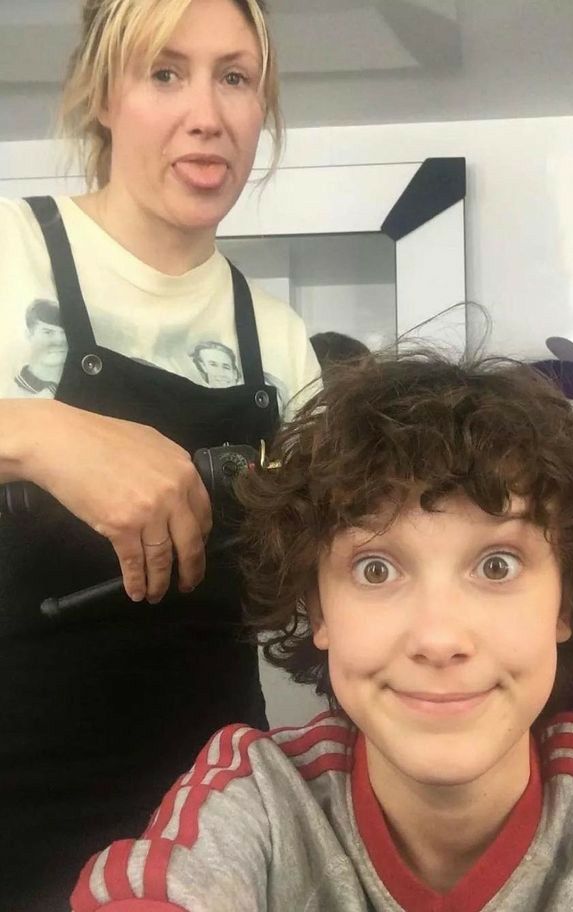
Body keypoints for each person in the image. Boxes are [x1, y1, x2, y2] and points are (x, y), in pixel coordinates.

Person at [72, 350, 573, 911]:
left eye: (497, 564)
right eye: (376, 568)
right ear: (320, 608)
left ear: (566, 599)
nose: (439, 637)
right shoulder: (260, 798)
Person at [0, 0, 319, 908]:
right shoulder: (9, 253)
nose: (206, 114)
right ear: (104, 93)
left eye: (236, 77)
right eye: (165, 73)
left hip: (213, 809)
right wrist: (37, 431)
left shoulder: (282, 343)